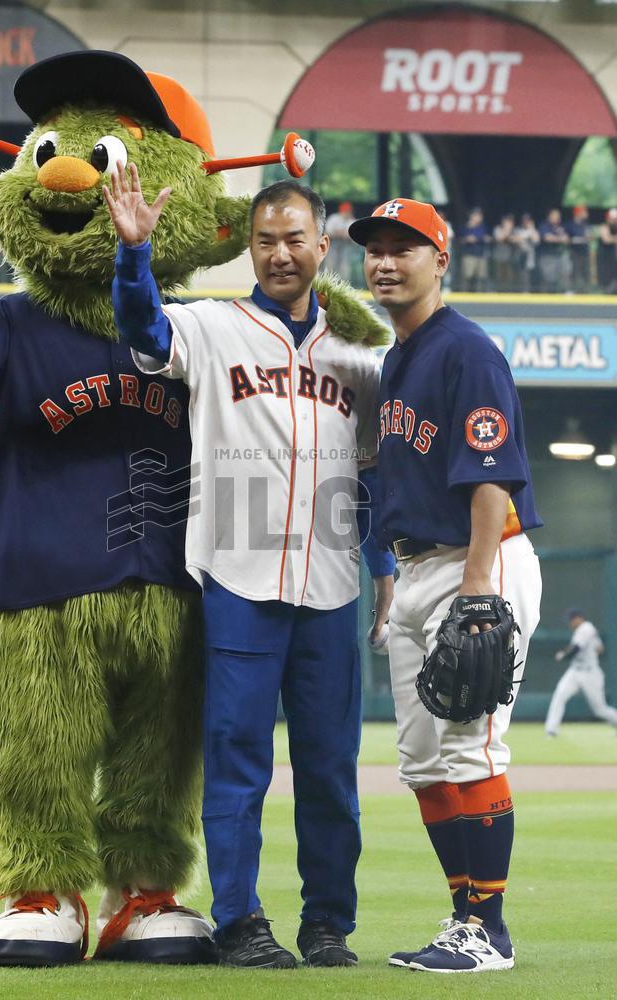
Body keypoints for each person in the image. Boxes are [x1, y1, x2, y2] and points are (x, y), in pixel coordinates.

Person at [105, 167, 395, 969]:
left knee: (331, 771)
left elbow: (371, 475)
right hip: (238, 579)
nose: (279, 253)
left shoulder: (357, 355)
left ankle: (327, 922)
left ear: (321, 245)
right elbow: (145, 332)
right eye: (264, 240)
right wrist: (136, 253)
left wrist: (380, 569)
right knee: (236, 763)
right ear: (248, 247)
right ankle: (238, 921)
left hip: (331, 587)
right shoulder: (211, 325)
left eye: (293, 238)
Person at [349, 197, 543, 973]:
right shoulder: (398, 358)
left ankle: (488, 930)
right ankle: (463, 915)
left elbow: (491, 473)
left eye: (405, 247)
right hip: (418, 566)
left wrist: (473, 589)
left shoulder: (466, 350)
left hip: (477, 558)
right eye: (374, 250)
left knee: (469, 750)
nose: (385, 261)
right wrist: (389, 571)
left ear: (442, 260)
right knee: (424, 761)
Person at [545, 609, 617, 737]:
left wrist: (563, 655)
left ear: (578, 618)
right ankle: (551, 729)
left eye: (571, 620)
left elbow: (576, 649)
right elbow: (600, 649)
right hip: (575, 671)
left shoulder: (585, 628)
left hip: (590, 673)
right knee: (560, 696)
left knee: (600, 710)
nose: (570, 624)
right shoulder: (587, 630)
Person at [537, 208, 570, 293]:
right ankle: (545, 294)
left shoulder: (561, 227)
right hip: (548, 256)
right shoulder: (544, 225)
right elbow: (547, 238)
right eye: (555, 215)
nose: (558, 217)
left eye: (558, 215)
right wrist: (560, 239)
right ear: (550, 216)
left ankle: (564, 291)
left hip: (559, 255)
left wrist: (563, 237)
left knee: (564, 273)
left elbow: (566, 238)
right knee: (548, 277)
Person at [324, 201, 357, 282]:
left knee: (345, 269)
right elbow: (327, 233)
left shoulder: (352, 221)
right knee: (330, 268)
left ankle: (343, 290)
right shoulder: (334, 218)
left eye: (348, 211)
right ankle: (327, 287)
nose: (347, 212)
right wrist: (338, 233)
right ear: (341, 211)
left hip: (346, 249)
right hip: (332, 247)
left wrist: (345, 234)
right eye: (345, 211)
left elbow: (355, 238)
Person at [459, 207, 489, 292]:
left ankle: (480, 296)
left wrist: (475, 239)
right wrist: (467, 239)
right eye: (477, 215)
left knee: (481, 277)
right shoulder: (465, 227)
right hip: (469, 255)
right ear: (472, 216)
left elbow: (485, 237)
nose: (479, 217)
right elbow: (460, 238)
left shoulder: (482, 227)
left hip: (480, 255)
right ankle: (465, 294)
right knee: (467, 276)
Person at [512, 213, 540, 292]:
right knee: (521, 276)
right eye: (525, 220)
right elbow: (514, 240)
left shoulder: (533, 230)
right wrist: (522, 238)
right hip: (519, 256)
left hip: (531, 258)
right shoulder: (518, 230)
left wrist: (531, 229)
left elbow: (536, 240)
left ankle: (529, 291)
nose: (526, 222)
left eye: (528, 220)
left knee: (530, 277)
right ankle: (522, 291)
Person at [567, 205, 591, 293]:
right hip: (574, 252)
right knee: (575, 271)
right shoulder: (570, 224)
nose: (586, 214)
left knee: (586, 272)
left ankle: (585, 290)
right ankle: (573, 289)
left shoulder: (586, 225)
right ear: (578, 213)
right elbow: (567, 238)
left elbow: (589, 237)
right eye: (584, 212)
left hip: (584, 251)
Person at [491, 214, 516, 292]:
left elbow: (517, 239)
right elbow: (499, 238)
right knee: (498, 276)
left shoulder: (515, 230)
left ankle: (508, 291)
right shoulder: (497, 229)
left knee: (509, 277)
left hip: (510, 258)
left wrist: (510, 235)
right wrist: (507, 231)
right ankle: (497, 291)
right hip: (499, 257)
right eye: (507, 221)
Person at [596, 208, 617, 293]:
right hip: (603, 256)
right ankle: (604, 290)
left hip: (612, 256)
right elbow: (606, 240)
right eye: (613, 218)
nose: (614, 220)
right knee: (604, 274)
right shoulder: (604, 226)